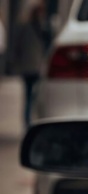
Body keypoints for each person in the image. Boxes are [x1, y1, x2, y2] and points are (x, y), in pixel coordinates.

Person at [13, 0, 47, 128]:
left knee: (29, 96)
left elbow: (17, 46)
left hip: (28, 66)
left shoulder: (27, 26)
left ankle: (28, 121)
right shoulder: (40, 27)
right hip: (35, 66)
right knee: (32, 96)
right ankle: (30, 121)